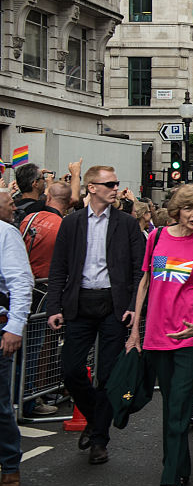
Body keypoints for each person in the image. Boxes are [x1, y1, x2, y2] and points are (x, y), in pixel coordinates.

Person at [125, 183, 193, 486]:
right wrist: (135, 332)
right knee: (172, 406)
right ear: (176, 210)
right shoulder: (156, 239)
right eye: (189, 208)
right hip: (156, 334)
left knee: (180, 404)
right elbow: (145, 283)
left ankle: (171, 481)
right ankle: (182, 466)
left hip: (189, 336)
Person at [46, 165, 145, 466]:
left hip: (113, 305)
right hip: (79, 303)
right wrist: (53, 307)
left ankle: (99, 439)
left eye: (116, 183)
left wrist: (132, 306)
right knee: (71, 370)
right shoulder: (72, 223)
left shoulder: (126, 224)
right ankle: (94, 418)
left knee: (108, 375)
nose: (115, 188)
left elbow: (139, 268)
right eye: (109, 184)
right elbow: (58, 267)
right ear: (91, 187)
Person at [0, 189, 33, 486]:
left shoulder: (6, 234)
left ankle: (9, 465)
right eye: (9, 203)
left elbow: (21, 281)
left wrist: (15, 326)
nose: (13, 207)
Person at [20, 181, 71, 281]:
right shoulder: (65, 228)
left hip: (25, 280)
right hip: (49, 284)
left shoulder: (30, 218)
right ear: (69, 203)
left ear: (48, 198)